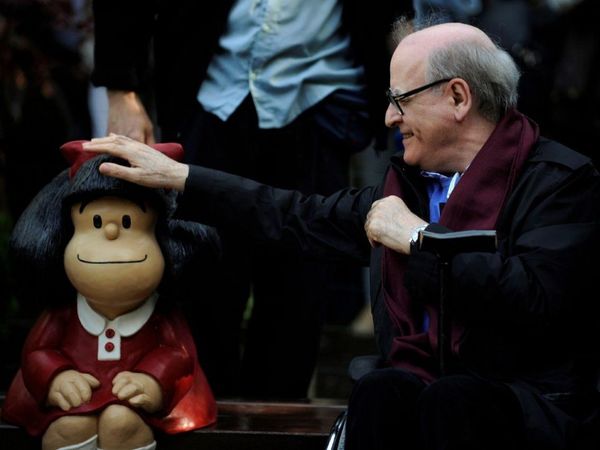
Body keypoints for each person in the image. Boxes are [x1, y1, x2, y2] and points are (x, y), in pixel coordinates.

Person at [83, 17, 600, 449]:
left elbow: (538, 299)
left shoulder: (559, 180)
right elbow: (290, 214)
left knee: (451, 398)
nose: (389, 117)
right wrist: (181, 177)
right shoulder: (409, 189)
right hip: (427, 395)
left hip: (527, 405)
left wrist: (420, 240)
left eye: (401, 99)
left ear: (458, 97)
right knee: (382, 389)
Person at [89, 0, 411, 399]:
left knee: (300, 292)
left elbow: (397, 12)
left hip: (320, 99)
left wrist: (409, 91)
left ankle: (280, 424)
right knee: (202, 278)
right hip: (209, 92)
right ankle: (204, 421)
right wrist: (122, 89)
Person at [2, 142, 217, 450]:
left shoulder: (159, 314)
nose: (112, 236)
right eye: (96, 223)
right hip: (75, 403)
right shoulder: (65, 312)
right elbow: (37, 352)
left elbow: (179, 354)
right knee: (67, 428)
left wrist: (153, 379)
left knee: (122, 423)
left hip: (139, 405)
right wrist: (55, 377)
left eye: (128, 223)